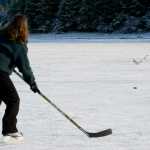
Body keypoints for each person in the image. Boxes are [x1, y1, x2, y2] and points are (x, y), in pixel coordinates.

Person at [0, 14, 39, 143]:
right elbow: (25, 68)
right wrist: (32, 83)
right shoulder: (18, 45)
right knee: (13, 100)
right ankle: (10, 131)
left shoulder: (1, 35)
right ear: (24, 28)